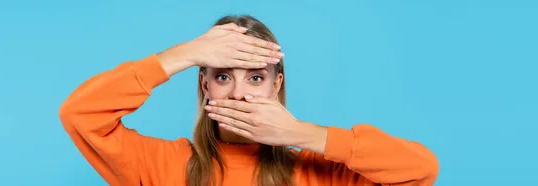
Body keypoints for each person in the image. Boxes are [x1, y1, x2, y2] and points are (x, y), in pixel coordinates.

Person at [59, 15, 440, 186]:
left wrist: (304, 134)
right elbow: (79, 114)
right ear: (205, 86)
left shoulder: (317, 172)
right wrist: (184, 54)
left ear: (277, 86)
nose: (239, 93)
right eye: (223, 76)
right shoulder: (160, 165)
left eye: (256, 78)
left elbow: (421, 170)